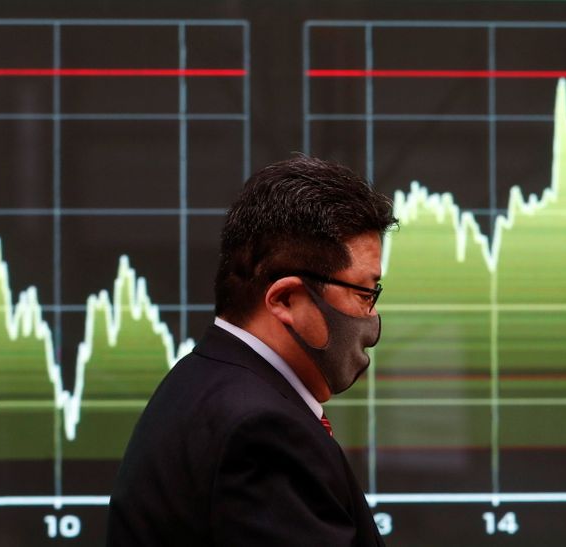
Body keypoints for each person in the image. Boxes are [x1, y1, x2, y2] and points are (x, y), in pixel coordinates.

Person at [106, 156, 398, 546]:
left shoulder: (203, 382)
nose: (372, 315)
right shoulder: (263, 432)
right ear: (288, 299)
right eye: (365, 292)